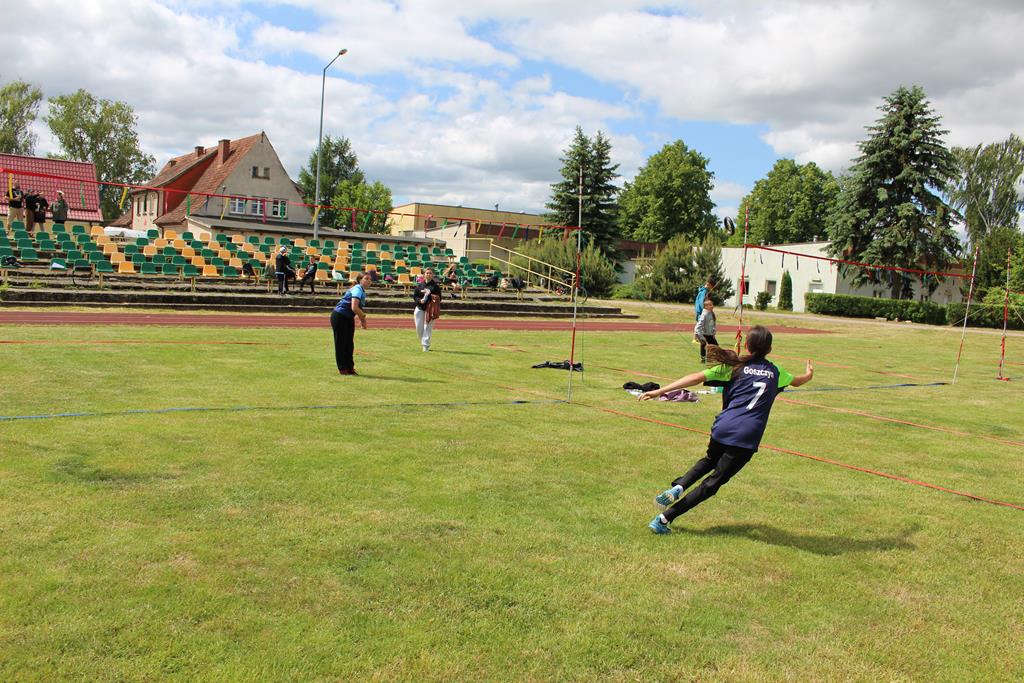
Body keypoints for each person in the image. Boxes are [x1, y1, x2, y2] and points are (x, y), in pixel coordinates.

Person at [639, 326, 814, 534]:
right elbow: (798, 382)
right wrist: (809, 374)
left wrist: (658, 391)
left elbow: (695, 377)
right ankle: (663, 519)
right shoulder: (776, 372)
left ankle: (679, 487)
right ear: (770, 349)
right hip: (746, 436)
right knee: (712, 484)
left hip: (722, 427)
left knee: (709, 460)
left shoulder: (735, 366)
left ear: (746, 345)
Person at [331, 271, 371, 375]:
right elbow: (354, 307)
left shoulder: (361, 290)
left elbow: (356, 309)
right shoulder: (357, 289)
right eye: (366, 279)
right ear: (360, 280)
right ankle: (342, 368)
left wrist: (361, 319)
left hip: (348, 317)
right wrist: (363, 320)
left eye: (370, 279)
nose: (369, 281)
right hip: (340, 316)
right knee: (341, 343)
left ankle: (350, 367)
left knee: (349, 344)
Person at [412, 268, 442, 352]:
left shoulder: (435, 287)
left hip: (430, 309)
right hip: (420, 308)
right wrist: (419, 300)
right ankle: (423, 342)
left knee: (427, 327)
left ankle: (426, 346)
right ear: (424, 274)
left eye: (430, 273)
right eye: (427, 273)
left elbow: (439, 298)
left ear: (432, 275)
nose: (428, 274)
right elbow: (415, 296)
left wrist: (432, 298)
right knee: (419, 328)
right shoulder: (420, 285)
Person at [694, 299, 719, 363]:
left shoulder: (711, 313)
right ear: (706, 307)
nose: (712, 306)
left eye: (712, 304)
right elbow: (698, 327)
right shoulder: (704, 314)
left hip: (709, 333)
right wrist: (701, 337)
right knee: (703, 344)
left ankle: (710, 358)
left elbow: (713, 324)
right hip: (701, 333)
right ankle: (703, 359)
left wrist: (713, 332)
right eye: (710, 305)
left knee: (715, 346)